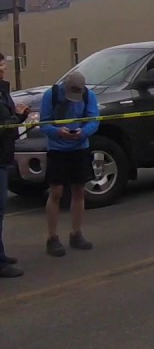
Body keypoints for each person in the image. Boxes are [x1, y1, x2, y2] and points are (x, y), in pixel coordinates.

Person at [39, 70, 98, 257]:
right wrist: (58, 132)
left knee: (79, 189)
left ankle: (77, 233)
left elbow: (94, 119)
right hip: (58, 149)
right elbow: (44, 123)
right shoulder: (52, 95)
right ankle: (52, 237)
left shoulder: (89, 96)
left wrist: (84, 132)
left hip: (80, 147)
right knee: (56, 191)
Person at [1, 52, 30, 277]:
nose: (3, 68)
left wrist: (20, 117)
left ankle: (0, 255)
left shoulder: (3, 92)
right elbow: (4, 125)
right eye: (0, 65)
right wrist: (18, 117)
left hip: (4, 157)